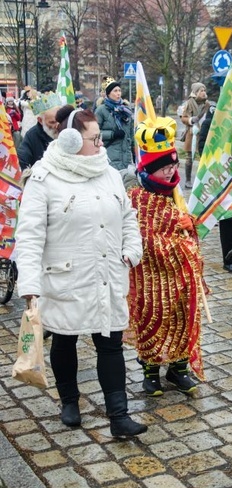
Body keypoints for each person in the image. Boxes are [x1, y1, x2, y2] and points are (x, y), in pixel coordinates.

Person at [15, 105, 147, 438]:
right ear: (72, 141)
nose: (101, 144)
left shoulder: (110, 173)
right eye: (93, 139)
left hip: (107, 274)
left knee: (111, 342)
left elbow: (128, 217)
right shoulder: (45, 178)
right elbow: (29, 234)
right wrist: (29, 285)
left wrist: (132, 252)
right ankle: (69, 401)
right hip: (65, 278)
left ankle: (119, 417)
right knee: (65, 338)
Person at [127, 116, 205, 396]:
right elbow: (145, 239)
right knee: (153, 318)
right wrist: (178, 241)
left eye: (174, 165)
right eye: (166, 167)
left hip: (180, 277)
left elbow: (183, 228)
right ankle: (150, 372)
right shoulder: (137, 198)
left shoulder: (176, 194)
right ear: (150, 169)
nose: (172, 172)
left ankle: (178, 369)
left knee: (182, 319)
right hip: (152, 277)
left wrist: (189, 226)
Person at [198, 101, 232, 274]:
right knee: (227, 216)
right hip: (223, 173)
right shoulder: (214, 115)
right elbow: (203, 145)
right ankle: (229, 258)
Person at [95, 76, 134, 170]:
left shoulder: (126, 110)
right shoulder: (101, 110)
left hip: (126, 158)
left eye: (119, 90)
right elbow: (94, 134)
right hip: (109, 157)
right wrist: (112, 134)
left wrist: (135, 152)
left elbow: (131, 134)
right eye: (115, 91)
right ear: (108, 94)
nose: (118, 93)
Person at [17, 92, 62, 171]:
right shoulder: (32, 136)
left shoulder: (68, 129)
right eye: (52, 122)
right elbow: (22, 160)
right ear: (40, 121)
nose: (57, 125)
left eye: (59, 121)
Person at [181, 82, 209, 189]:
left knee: (204, 157)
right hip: (192, 134)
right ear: (196, 92)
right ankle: (188, 180)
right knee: (189, 158)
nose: (203, 93)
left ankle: (202, 181)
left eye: (204, 90)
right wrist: (191, 120)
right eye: (201, 91)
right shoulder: (189, 103)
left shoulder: (207, 104)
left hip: (204, 133)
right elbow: (183, 118)